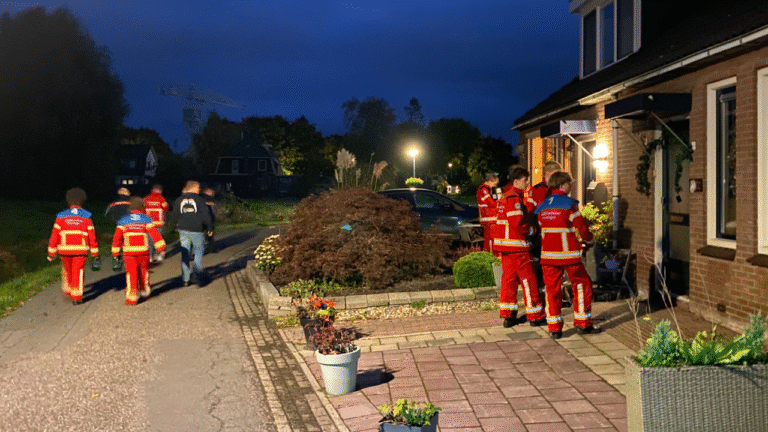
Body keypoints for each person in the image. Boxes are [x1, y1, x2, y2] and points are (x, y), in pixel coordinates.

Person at [534, 171, 598, 339]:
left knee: (552, 291)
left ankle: (554, 328)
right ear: (562, 185)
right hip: (569, 255)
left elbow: (542, 228)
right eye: (569, 183)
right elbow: (582, 228)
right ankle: (583, 323)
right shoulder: (569, 204)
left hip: (548, 256)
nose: (571, 186)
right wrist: (589, 242)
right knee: (581, 286)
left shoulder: (542, 206)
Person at [492, 166, 545, 328]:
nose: (527, 183)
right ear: (516, 181)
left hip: (507, 249)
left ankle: (509, 316)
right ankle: (535, 316)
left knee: (509, 281)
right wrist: (533, 230)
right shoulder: (514, 198)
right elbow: (517, 224)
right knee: (529, 281)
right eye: (525, 180)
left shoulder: (505, 197)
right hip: (518, 248)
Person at [47, 187, 99, 305]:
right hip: (80, 250)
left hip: (64, 250)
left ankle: (68, 289)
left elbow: (55, 236)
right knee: (78, 271)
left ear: (68, 200)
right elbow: (92, 236)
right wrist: (95, 252)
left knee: (67, 270)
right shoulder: (86, 217)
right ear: (82, 200)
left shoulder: (61, 216)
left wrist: (51, 252)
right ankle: (76, 297)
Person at [112, 197, 166, 305]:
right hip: (143, 252)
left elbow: (117, 238)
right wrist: (161, 248)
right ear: (142, 207)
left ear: (130, 207)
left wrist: (115, 252)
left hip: (129, 253)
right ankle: (144, 293)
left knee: (131, 274)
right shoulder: (146, 219)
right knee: (143, 272)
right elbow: (155, 235)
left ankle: (132, 298)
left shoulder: (123, 220)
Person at [167, 180, 212, 287]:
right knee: (198, 252)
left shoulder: (179, 200)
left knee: (185, 253)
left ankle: (186, 279)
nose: (198, 189)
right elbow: (206, 215)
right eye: (197, 187)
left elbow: (174, 215)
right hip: (197, 230)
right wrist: (209, 227)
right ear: (192, 187)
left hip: (183, 230)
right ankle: (196, 275)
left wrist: (171, 227)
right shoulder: (200, 200)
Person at [144, 184, 169, 262]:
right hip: (159, 223)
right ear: (159, 191)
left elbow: (142, 209)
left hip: (148, 224)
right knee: (158, 241)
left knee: (149, 241)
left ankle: (149, 257)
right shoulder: (161, 199)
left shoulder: (145, 199)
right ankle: (158, 256)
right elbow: (166, 208)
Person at [476, 173, 500, 253]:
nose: (494, 186)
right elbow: (491, 203)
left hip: (488, 219)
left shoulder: (484, 190)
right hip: (489, 218)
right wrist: (499, 203)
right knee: (490, 240)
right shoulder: (483, 190)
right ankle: (490, 255)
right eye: (494, 183)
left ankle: (489, 254)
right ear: (490, 181)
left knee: (489, 239)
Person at [202, 187, 217, 254]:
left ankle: (211, 248)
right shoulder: (204, 199)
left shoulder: (212, 200)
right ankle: (206, 248)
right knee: (206, 235)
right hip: (205, 219)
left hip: (210, 218)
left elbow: (214, 209)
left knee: (210, 234)